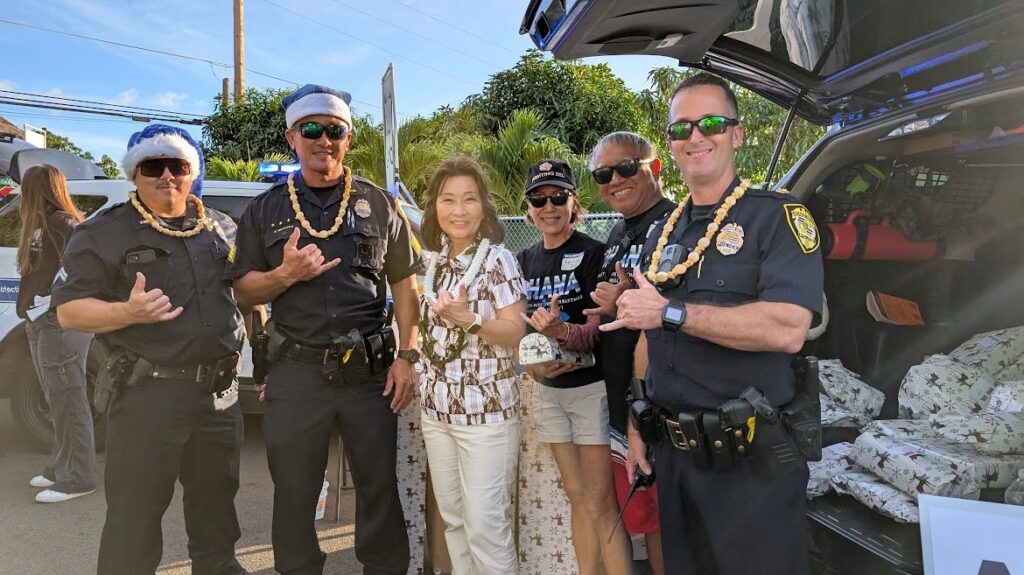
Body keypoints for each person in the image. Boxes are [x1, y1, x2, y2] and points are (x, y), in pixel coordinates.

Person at [606, 73, 824, 574]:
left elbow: (787, 327)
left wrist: (671, 312)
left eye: (711, 123)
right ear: (670, 143)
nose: (696, 137)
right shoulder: (663, 230)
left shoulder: (779, 217)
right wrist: (638, 421)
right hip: (676, 458)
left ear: (737, 134)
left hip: (750, 464)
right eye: (682, 128)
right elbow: (647, 329)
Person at [228, 84, 420, 575]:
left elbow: (405, 285)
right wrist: (284, 275)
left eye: (333, 130)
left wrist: (408, 355)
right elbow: (243, 293)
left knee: (379, 486)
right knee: (293, 490)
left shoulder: (379, 203)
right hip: (298, 372)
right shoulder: (266, 209)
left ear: (347, 138)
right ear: (292, 137)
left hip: (370, 372)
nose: (322, 139)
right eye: (310, 129)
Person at [53, 124, 247, 574]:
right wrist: (128, 313)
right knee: (134, 522)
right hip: (147, 397)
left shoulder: (219, 227)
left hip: (219, 397)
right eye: (151, 166)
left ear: (191, 171)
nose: (166, 176)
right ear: (134, 174)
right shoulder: (104, 231)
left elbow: (243, 293)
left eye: (177, 165)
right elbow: (69, 312)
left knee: (217, 516)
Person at [516, 159, 631, 574]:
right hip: (549, 393)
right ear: (528, 207)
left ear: (573, 201)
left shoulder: (593, 253)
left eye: (558, 197)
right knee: (576, 496)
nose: (549, 206)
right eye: (539, 198)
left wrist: (561, 332)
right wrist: (534, 369)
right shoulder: (522, 260)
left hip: (591, 391)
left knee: (602, 503)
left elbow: (600, 332)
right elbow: (521, 337)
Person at [418, 156, 526, 575]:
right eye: (447, 200)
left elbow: (516, 332)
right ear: (434, 207)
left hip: (486, 418)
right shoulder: (435, 262)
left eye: (468, 199)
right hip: (437, 414)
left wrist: (470, 320)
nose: (458, 211)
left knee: (486, 528)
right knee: (456, 524)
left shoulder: (499, 260)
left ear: (484, 206)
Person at [584, 131, 672, 574]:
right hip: (625, 404)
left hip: (661, 406)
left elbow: (672, 314)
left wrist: (625, 302)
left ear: (653, 167)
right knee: (647, 519)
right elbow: (616, 308)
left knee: (666, 524)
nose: (614, 179)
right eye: (603, 173)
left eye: (625, 168)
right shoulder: (618, 231)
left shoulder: (677, 222)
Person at [16, 164, 96, 504]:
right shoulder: (41, 224)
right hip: (40, 320)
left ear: (38, 189)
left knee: (69, 398)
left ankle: (79, 477)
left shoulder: (65, 223)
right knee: (55, 397)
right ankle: (62, 466)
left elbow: (81, 272)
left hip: (60, 322)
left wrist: (49, 302)